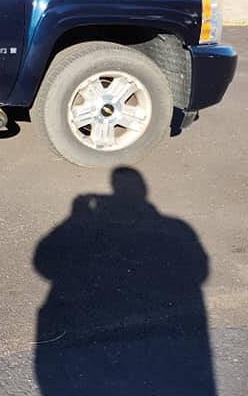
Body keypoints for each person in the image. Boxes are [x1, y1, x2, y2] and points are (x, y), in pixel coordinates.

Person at [33, 167, 215, 395]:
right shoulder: (176, 228)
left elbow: (44, 262)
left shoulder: (173, 228)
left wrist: (75, 217)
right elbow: (200, 270)